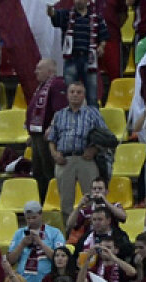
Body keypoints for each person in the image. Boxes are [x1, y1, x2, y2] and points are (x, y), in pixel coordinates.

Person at [46, 81, 109, 226]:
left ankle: (93, 230)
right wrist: (55, 154)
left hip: (85, 159)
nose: (75, 95)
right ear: (67, 95)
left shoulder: (93, 113)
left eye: (79, 92)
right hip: (64, 160)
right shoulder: (59, 115)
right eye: (72, 92)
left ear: (84, 95)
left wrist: (94, 150)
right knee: (65, 201)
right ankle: (69, 233)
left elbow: (106, 137)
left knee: (93, 198)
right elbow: (51, 139)